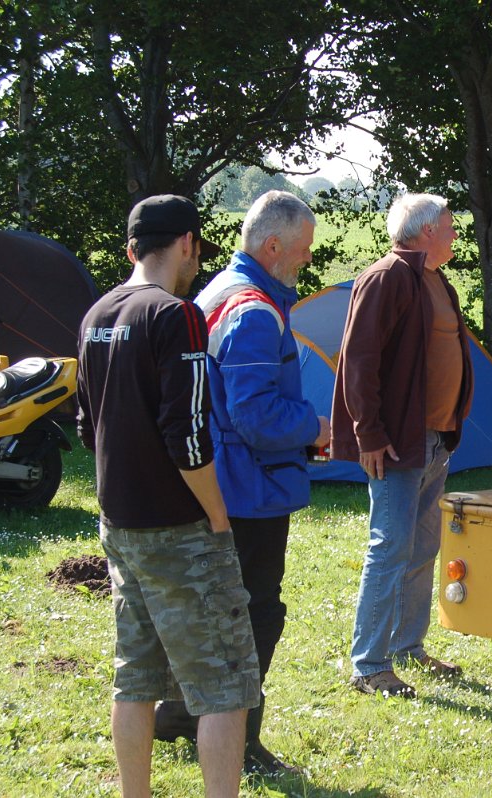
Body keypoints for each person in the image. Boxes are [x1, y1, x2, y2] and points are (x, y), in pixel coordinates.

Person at [76, 195, 259, 797]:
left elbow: (86, 426)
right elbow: (189, 432)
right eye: (197, 249)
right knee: (225, 688)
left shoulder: (95, 314)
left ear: (131, 248)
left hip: (118, 526)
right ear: (187, 243)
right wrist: (216, 516)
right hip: (178, 532)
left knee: (136, 679)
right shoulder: (177, 316)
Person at [152, 190, 329, 774]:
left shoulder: (215, 292)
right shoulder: (254, 311)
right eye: (301, 251)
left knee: (214, 607)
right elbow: (255, 415)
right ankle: (243, 743)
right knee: (255, 614)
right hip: (248, 491)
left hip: (215, 482)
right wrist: (313, 427)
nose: (306, 261)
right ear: (273, 246)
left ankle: (180, 714)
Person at [330, 192, 474, 699]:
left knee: (423, 546)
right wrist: (368, 433)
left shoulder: (433, 278)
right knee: (390, 547)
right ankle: (369, 664)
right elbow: (358, 361)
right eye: (451, 226)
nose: (456, 235)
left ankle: (408, 647)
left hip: (434, 439)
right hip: (397, 444)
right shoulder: (387, 276)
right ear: (427, 229)